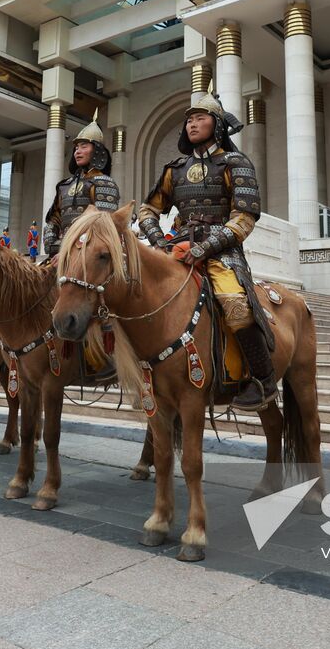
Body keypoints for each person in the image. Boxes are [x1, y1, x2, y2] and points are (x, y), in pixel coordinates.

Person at [137, 92, 274, 411]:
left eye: (200, 118)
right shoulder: (175, 169)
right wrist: (158, 241)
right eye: (189, 119)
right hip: (177, 249)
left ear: (218, 125)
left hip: (222, 252)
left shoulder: (236, 163)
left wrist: (206, 247)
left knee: (236, 306)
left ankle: (263, 379)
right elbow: (147, 210)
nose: (192, 124)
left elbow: (244, 217)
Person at [44, 112, 120, 257]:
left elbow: (102, 226)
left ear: (97, 150)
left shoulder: (105, 183)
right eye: (76, 148)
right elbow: (53, 220)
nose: (77, 152)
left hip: (90, 254)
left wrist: (70, 251)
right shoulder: (64, 186)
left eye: (83, 146)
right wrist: (52, 247)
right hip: (61, 252)